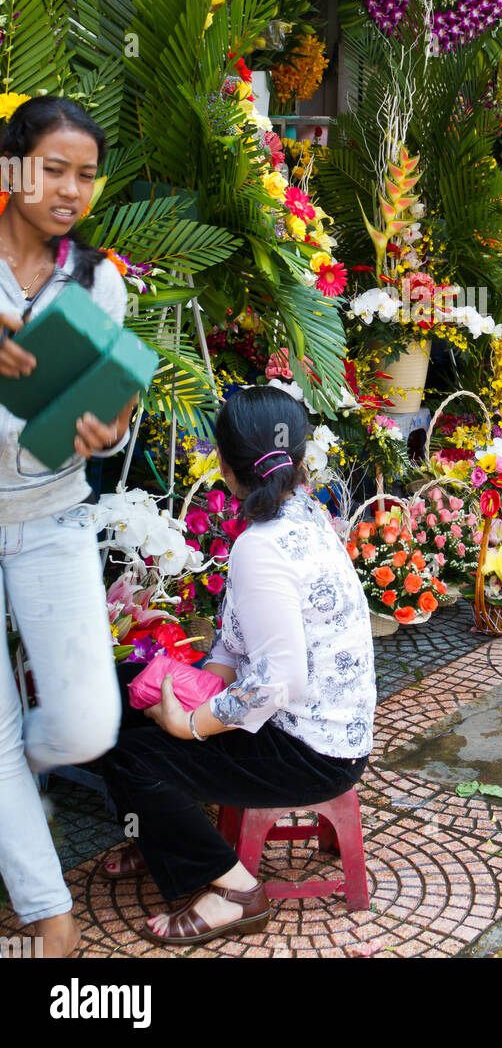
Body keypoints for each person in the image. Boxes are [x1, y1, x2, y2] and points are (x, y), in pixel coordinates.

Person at [100, 386, 376, 950]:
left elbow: (279, 681)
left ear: (224, 464)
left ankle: (237, 891)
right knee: (122, 698)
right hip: (314, 725)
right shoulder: (305, 512)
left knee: (131, 756)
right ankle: (160, 834)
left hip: (310, 750)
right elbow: (241, 641)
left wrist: (192, 724)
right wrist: (198, 678)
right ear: (298, 459)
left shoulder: (263, 544)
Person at [0, 96, 138, 958]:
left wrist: (110, 428)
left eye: (84, 176)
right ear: (10, 169)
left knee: (88, 725)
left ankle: (7, 772)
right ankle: (53, 917)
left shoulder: (97, 281)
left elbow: (113, 400)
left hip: (51, 516)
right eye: (54, 169)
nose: (71, 190)